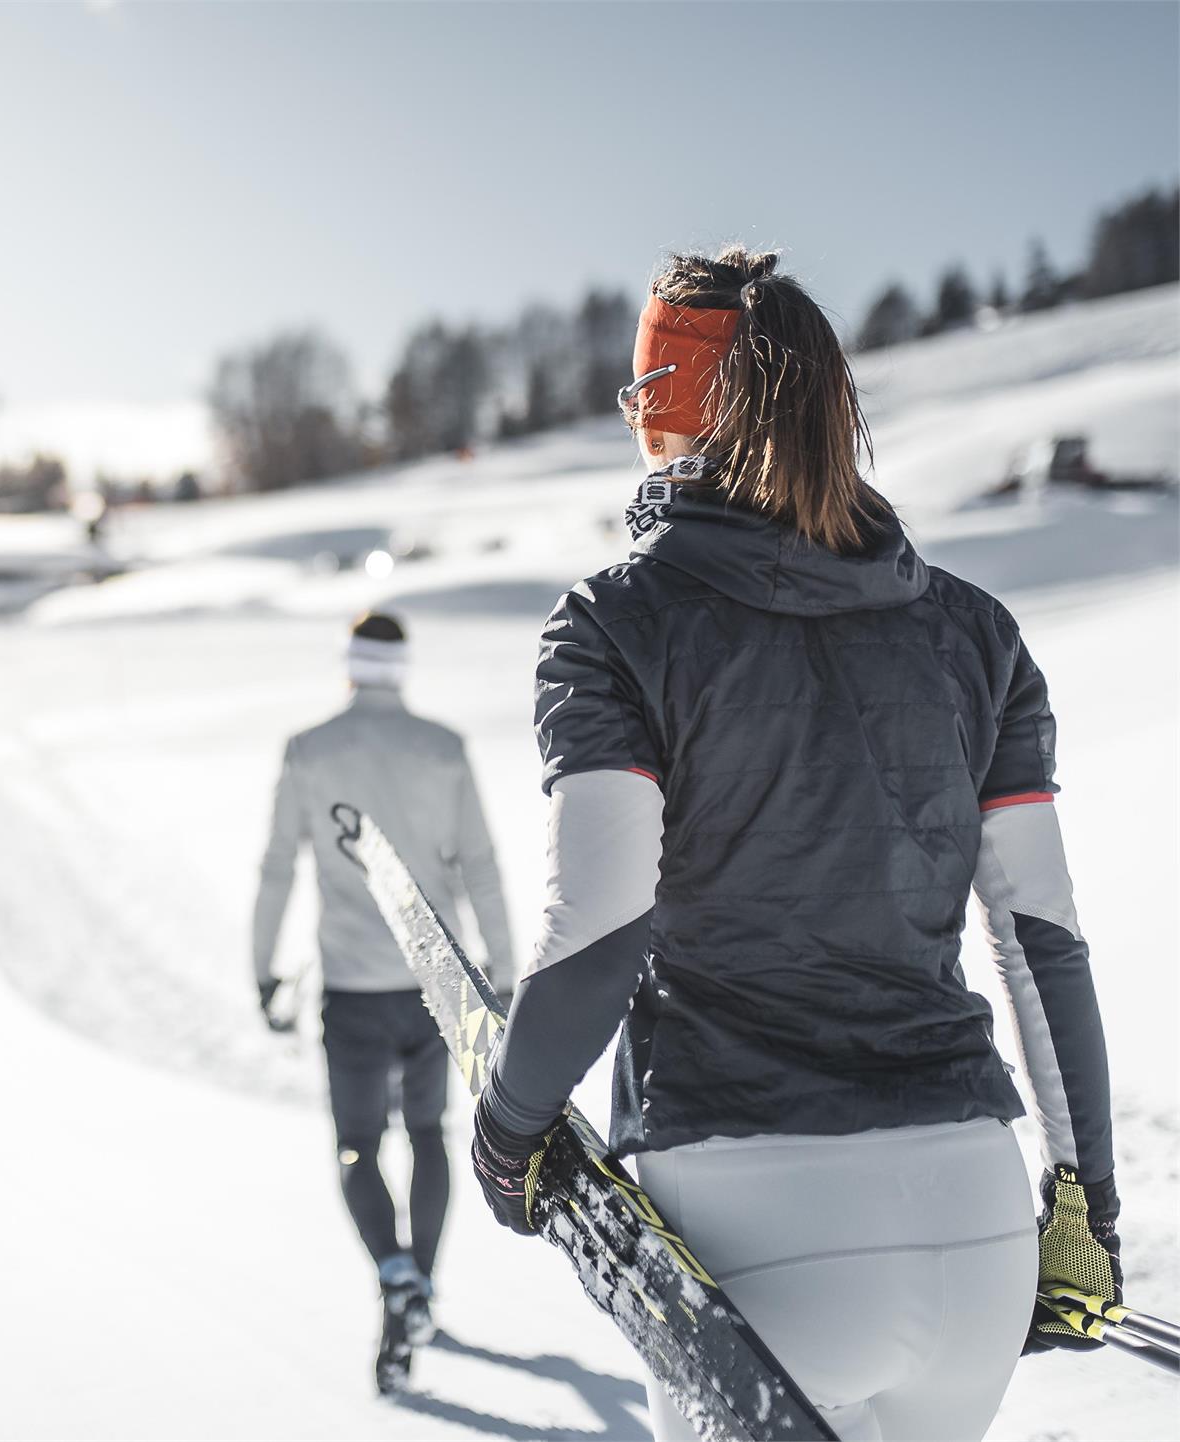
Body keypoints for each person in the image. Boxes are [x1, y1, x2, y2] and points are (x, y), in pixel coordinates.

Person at [470, 246, 1121, 1441]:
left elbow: (604, 925)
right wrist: (1091, 1206)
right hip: (972, 1234)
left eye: (636, 395)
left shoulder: (616, 622)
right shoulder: (977, 633)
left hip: (753, 1232)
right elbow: (1042, 939)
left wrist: (510, 1129)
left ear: (668, 404)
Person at [255, 611, 513, 1388]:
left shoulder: (309, 750)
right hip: (436, 986)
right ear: (401, 668)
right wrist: (501, 972)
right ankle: (423, 1287)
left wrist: (262, 970)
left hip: (352, 989)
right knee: (428, 1133)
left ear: (350, 665)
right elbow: (482, 867)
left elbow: (277, 870)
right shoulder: (444, 749)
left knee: (358, 1146)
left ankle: (394, 1274)